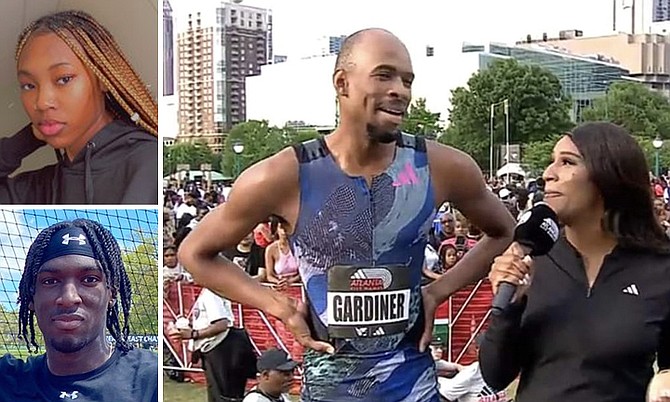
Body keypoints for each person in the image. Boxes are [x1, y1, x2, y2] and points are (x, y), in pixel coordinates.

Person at [180, 28, 515, 401]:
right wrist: (277, 304)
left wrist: (439, 289)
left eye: (407, 80)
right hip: (329, 388)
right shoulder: (283, 175)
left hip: (414, 386)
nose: (400, 91)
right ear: (342, 83)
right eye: (384, 75)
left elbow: (503, 231)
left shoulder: (441, 166)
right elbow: (195, 253)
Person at [480, 122, 670, 402]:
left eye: (567, 162)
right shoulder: (534, 260)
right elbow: (496, 375)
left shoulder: (660, 268)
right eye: (551, 162)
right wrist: (510, 307)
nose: (548, 174)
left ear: (608, 177)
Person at [0, 10, 158, 204]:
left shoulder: (148, 163)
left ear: (103, 78)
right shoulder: (36, 190)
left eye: (64, 79)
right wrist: (25, 140)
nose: (41, 102)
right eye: (28, 85)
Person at [0, 219, 158, 401]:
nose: (68, 298)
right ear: (31, 299)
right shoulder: (7, 382)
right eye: (50, 281)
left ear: (112, 294)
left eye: (89, 279)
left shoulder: (150, 381)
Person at [168, 288, 257, 402]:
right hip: (218, 348)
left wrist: (193, 334)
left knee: (226, 397)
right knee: (219, 396)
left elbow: (221, 324)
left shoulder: (211, 293)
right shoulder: (209, 292)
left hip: (223, 348)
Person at [264, 217, 300, 288]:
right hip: (279, 287)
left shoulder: (299, 247)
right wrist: (278, 282)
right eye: (281, 227)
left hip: (297, 286)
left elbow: (304, 272)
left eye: (286, 228)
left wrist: (290, 281)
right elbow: (269, 275)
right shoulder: (270, 249)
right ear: (277, 229)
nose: (284, 231)